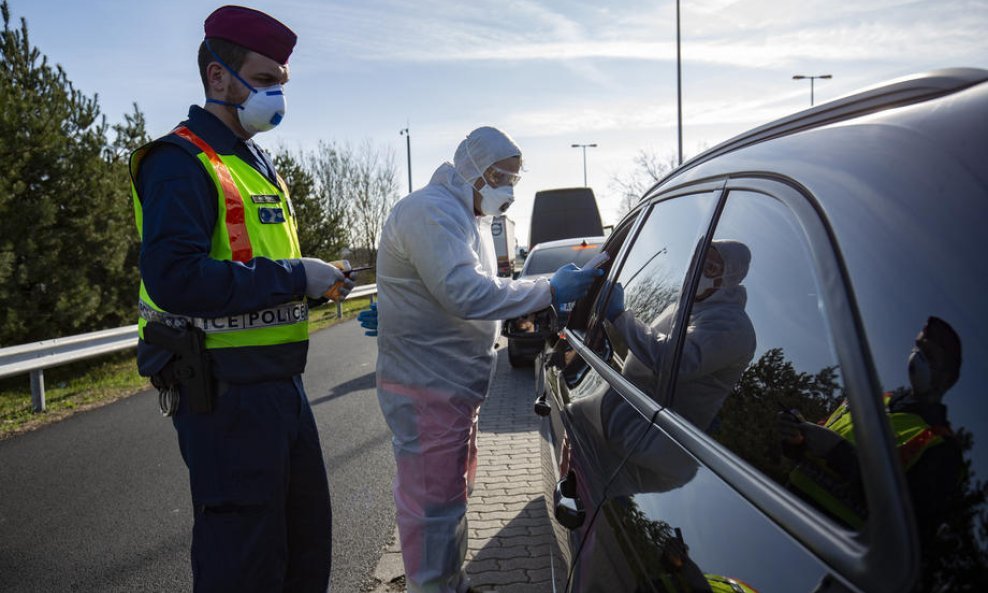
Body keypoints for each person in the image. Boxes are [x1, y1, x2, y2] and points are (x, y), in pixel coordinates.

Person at [130, 6, 350, 591]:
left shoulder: (253, 161)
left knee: (304, 548)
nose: (277, 94)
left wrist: (313, 280)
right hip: (225, 396)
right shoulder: (179, 163)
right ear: (217, 77)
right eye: (267, 78)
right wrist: (290, 277)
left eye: (282, 82)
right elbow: (175, 278)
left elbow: (250, 259)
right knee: (245, 563)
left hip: (281, 387)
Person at [358, 126, 602, 593]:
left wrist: (399, 302)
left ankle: (450, 580)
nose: (507, 189)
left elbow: (456, 286)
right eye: (499, 176)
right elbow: (465, 291)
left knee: (449, 494)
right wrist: (548, 289)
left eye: (513, 177)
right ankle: (431, 587)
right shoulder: (431, 212)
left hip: (449, 386)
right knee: (432, 504)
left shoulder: (464, 217)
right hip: (428, 384)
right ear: (471, 169)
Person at [778, 316, 964, 537]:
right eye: (917, 346)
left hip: (834, 546)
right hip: (785, 511)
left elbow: (907, 521)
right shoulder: (872, 399)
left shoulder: (940, 446)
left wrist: (839, 452)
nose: (917, 358)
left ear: (947, 379)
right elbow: (812, 448)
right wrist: (796, 438)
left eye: (929, 355)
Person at [605, 240, 757, 432]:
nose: (697, 271)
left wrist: (620, 317)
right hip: (633, 413)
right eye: (696, 262)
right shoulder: (685, 306)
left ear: (729, 277)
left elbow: (673, 361)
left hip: (660, 436)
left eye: (709, 268)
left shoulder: (732, 327)